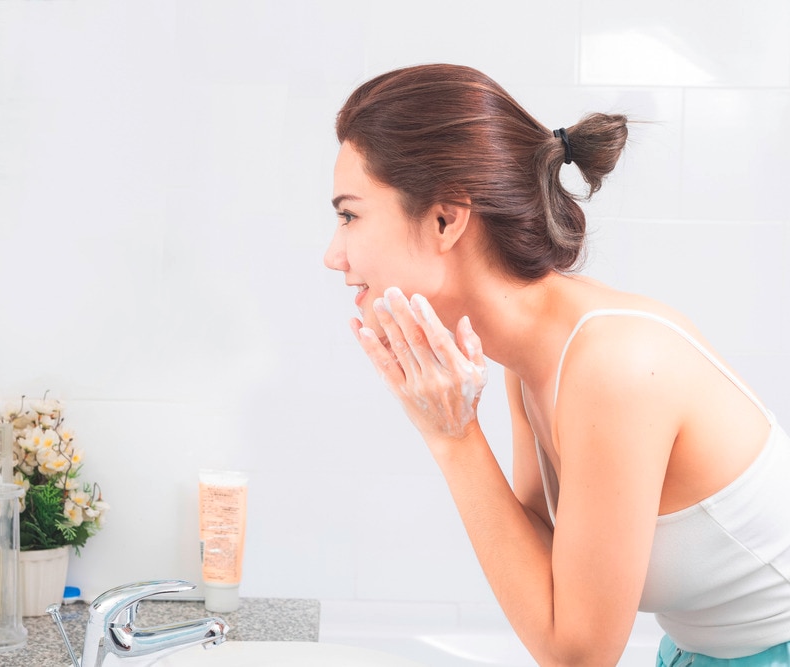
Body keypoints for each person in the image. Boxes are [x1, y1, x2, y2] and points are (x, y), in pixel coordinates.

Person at [323, 64, 790, 666]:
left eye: (349, 215)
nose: (334, 255)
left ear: (446, 219)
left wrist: (454, 438)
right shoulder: (534, 352)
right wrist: (448, 429)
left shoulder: (615, 366)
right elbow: (541, 559)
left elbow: (580, 656)